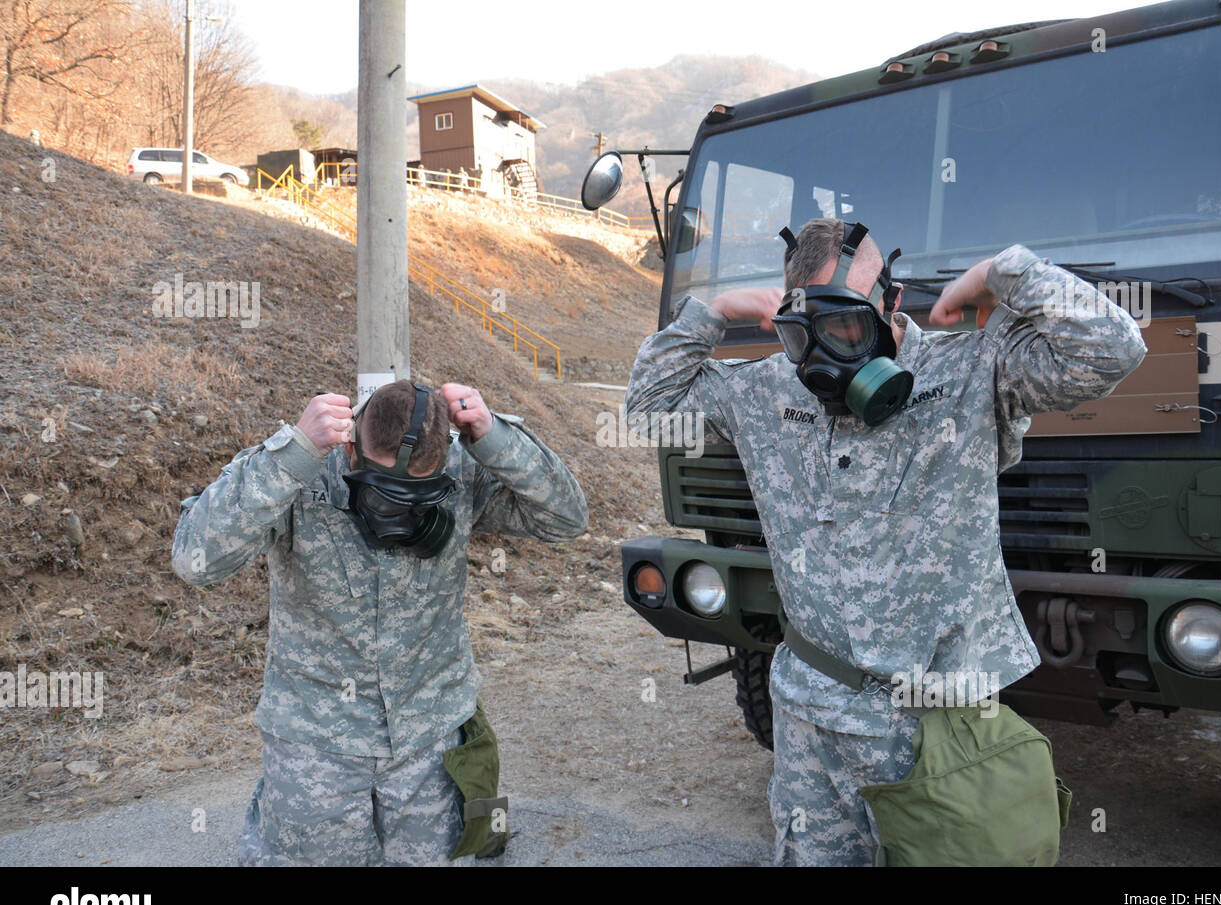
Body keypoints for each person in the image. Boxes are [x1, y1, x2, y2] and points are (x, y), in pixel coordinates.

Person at [624, 218, 1147, 865]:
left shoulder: (972, 369)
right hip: (810, 720)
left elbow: (1114, 348)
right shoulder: (765, 389)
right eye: (804, 332)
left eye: (846, 325)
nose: (824, 356)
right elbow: (647, 408)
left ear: (890, 304)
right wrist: (714, 311)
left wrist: (1004, 272)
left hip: (935, 728)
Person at [171, 380, 588, 865]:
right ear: (350, 447)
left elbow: (567, 520)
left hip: (428, 743)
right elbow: (196, 563)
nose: (397, 509)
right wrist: (292, 454)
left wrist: (495, 437)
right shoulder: (300, 475)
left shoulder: (460, 471)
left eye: (416, 494)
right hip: (317, 749)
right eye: (383, 488)